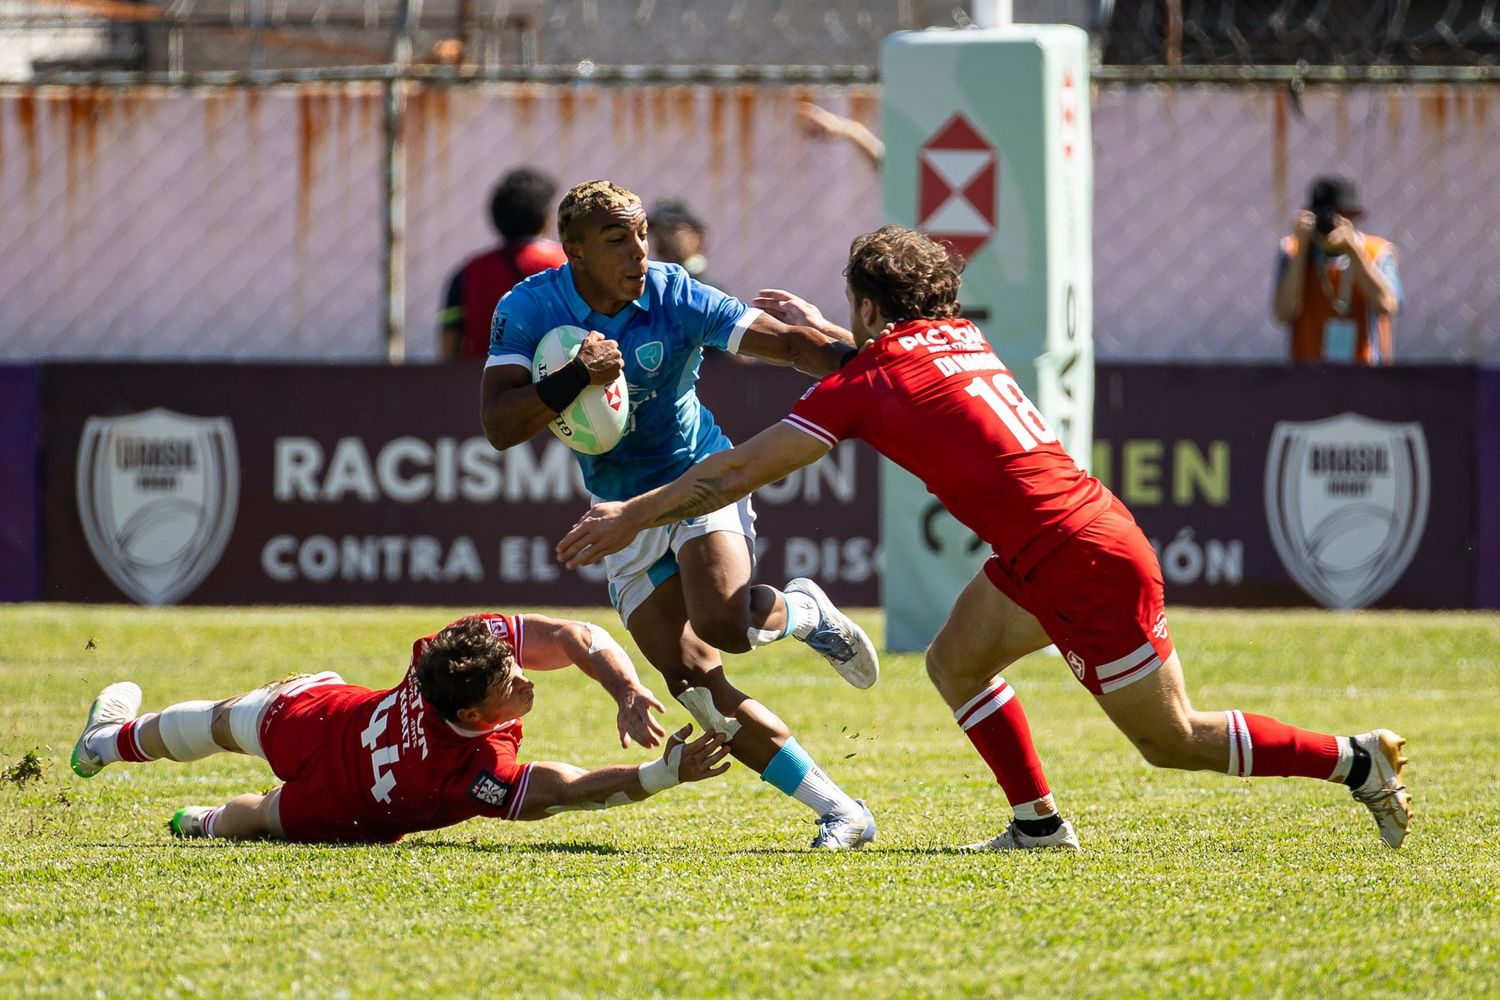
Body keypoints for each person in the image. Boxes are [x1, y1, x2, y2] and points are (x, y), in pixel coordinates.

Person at [560, 224, 1415, 852]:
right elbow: (881, 363)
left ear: (868, 306)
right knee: (955, 663)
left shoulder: (871, 378)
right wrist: (837, 324)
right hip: (1057, 545)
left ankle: (1355, 761)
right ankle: (1037, 825)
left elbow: (731, 474)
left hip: (1083, 561)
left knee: (1172, 741)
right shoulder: (958, 336)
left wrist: (629, 516)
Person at [480, 179, 879, 850]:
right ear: (573, 251)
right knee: (694, 685)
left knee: (724, 621)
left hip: (698, 476)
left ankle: (803, 610)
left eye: (640, 234)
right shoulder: (528, 306)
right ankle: (842, 811)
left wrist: (867, 366)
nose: (639, 251)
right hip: (618, 508)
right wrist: (576, 376)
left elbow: (783, 343)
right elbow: (498, 423)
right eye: (617, 241)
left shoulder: (674, 292)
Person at [69, 613, 730, 842]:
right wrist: (663, 774)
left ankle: (108, 743)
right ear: (472, 716)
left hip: (327, 721)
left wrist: (626, 686)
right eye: (511, 684)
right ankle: (200, 822)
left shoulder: (445, 654)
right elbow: (568, 790)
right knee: (262, 817)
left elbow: (570, 637)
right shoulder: (470, 774)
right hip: (347, 806)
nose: (526, 678)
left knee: (222, 722)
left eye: (516, 670)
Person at [440, 168, 569, 362]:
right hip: (557, 379)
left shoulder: (467, 273)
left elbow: (449, 346)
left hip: (486, 383)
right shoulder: (569, 263)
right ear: (546, 218)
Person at [1273, 176, 1402, 365]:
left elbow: (1388, 305)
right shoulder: (1292, 251)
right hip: (1307, 374)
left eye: (1337, 216)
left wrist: (1353, 251)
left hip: (1365, 375)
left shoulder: (1377, 252)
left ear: (1355, 217)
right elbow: (1283, 313)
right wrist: (1302, 251)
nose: (1328, 223)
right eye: (1320, 215)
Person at [647, 199, 716, 289]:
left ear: (699, 237)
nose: (662, 237)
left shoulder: (708, 291)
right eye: (656, 232)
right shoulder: (655, 285)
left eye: (671, 230)